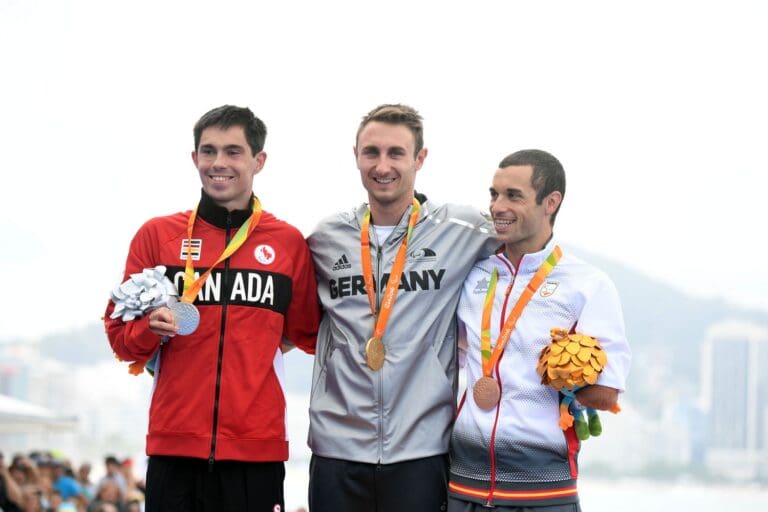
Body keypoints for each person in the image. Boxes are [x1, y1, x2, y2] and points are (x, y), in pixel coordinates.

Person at [104, 105, 320, 512]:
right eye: (208, 151)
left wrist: (254, 348)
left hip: (256, 451)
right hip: (174, 447)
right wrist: (150, 328)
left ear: (259, 160)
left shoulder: (289, 243)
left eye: (233, 152)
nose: (219, 163)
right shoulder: (156, 237)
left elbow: (306, 334)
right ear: (194, 159)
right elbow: (120, 341)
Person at [307, 103, 498, 511]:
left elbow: (525, 239)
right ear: (355, 156)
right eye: (371, 152)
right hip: (337, 451)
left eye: (396, 153)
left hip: (421, 450)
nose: (382, 165)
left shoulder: (460, 229)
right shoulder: (326, 238)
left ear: (420, 158)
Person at [447, 149, 632, 511]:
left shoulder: (587, 284)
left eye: (513, 196)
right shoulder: (472, 275)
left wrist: (567, 372)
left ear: (551, 202)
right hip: (463, 484)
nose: (498, 206)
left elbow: (606, 395)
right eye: (494, 194)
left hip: (543, 492)